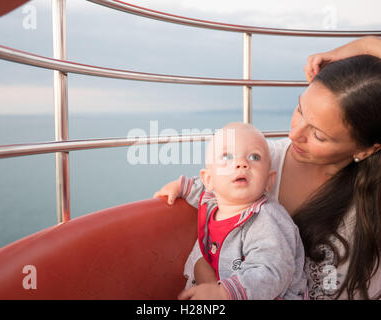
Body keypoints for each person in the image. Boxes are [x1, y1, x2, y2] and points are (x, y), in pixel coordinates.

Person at [155, 37, 381, 300]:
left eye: (318, 135)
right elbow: (213, 232)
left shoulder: (369, 197)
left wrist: (365, 46)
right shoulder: (259, 160)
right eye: (299, 109)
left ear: (366, 149)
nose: (294, 134)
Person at [155, 122, 307, 300]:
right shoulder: (212, 199)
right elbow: (200, 188)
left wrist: (225, 292)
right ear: (209, 179)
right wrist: (181, 186)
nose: (241, 163)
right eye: (227, 156)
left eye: (254, 157)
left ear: (268, 181)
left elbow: (271, 272)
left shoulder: (268, 220)